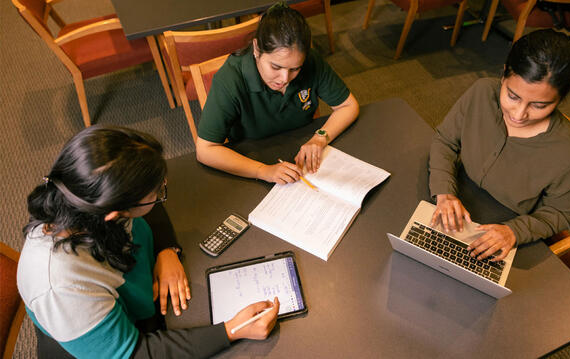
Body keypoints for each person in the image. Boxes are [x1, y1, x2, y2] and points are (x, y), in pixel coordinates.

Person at [17, 125, 280, 359]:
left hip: (137, 297)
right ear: (115, 213)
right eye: (158, 192)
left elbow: (143, 202)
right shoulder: (63, 289)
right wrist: (231, 331)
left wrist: (166, 249)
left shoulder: (86, 197)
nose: (160, 194)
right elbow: (136, 352)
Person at [428, 29, 570, 262]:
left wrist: (515, 231)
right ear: (504, 74)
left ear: (561, 98)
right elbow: (445, 140)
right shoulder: (482, 92)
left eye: (538, 105)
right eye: (513, 96)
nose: (519, 114)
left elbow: (564, 212)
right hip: (453, 189)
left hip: (507, 224)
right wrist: (444, 191)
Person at [195, 2, 359, 184]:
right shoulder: (230, 79)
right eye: (276, 66)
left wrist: (320, 137)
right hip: (251, 160)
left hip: (301, 150)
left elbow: (348, 105)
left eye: (295, 69)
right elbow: (205, 149)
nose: (284, 78)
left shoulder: (311, 62)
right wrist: (262, 171)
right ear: (257, 49)